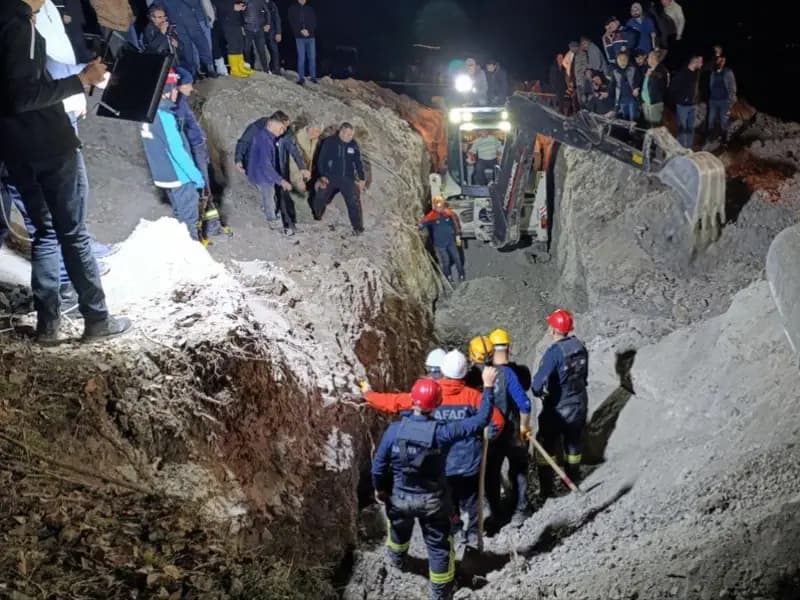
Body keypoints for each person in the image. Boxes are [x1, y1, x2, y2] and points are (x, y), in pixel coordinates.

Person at [1, 0, 130, 342]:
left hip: (15, 150)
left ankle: (48, 326)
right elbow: (22, 96)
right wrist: (81, 80)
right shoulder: (18, 24)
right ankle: (97, 319)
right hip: (49, 145)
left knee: (45, 233)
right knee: (73, 233)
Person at [372, 369, 498, 600]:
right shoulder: (443, 432)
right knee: (439, 548)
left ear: (412, 399)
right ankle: (439, 594)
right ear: (438, 403)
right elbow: (482, 420)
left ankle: (397, 566)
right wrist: (488, 387)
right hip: (433, 503)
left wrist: (380, 489)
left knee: (398, 534)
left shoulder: (394, 431)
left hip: (399, 499)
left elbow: (378, 467)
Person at [141, 70, 207, 239]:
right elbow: (177, 151)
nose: (177, 92)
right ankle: (192, 249)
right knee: (190, 220)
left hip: (163, 175)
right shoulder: (165, 117)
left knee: (179, 216)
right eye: (174, 88)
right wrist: (195, 176)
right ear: (165, 91)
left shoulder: (147, 113)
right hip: (179, 176)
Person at [532, 309, 589, 497]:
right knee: (573, 444)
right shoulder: (580, 346)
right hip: (579, 403)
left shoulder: (554, 353)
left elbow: (537, 384)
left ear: (553, 329)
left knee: (546, 445)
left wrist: (539, 393)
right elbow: (584, 376)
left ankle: (546, 489)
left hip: (558, 407)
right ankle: (573, 479)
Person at [485, 328, 532, 527]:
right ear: (509, 347)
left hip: (491, 435)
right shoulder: (510, 373)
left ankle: (495, 513)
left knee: (491, 473)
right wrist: (524, 427)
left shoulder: (483, 375)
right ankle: (520, 509)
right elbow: (525, 404)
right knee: (519, 469)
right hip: (512, 432)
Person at [313, 123, 367, 235]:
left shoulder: (353, 144)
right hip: (330, 177)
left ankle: (358, 228)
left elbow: (358, 162)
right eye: (348, 134)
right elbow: (321, 160)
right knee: (320, 196)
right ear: (341, 132)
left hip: (347, 178)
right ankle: (317, 216)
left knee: (353, 202)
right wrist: (322, 175)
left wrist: (362, 178)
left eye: (351, 135)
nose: (350, 137)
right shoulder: (329, 142)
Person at [245, 112, 293, 228]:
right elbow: (266, 165)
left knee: (268, 197)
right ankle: (272, 222)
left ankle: (265, 210)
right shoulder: (265, 140)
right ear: (272, 123)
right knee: (269, 198)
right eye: (282, 127)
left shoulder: (265, 136)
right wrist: (281, 180)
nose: (283, 131)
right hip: (263, 176)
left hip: (257, 173)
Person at [161, 0, 218, 77]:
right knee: (187, 50)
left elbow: (195, 3)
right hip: (178, 26)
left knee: (203, 46)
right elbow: (159, 9)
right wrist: (169, 24)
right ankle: (193, 74)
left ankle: (210, 69)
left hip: (192, 22)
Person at [418, 196, 464, 285]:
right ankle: (448, 277)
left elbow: (456, 224)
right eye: (438, 206)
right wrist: (419, 226)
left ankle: (461, 274)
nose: (440, 208)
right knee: (446, 261)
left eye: (442, 206)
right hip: (440, 244)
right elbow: (423, 223)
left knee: (457, 258)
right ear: (435, 207)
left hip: (451, 241)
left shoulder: (449, 213)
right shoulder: (431, 216)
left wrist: (458, 235)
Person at [275, 125, 311, 236]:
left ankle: (290, 224)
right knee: (280, 199)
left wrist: (303, 169)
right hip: (276, 174)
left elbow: (295, 153)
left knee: (284, 198)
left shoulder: (287, 137)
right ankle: (285, 225)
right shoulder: (270, 137)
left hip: (282, 173)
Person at [211, 0, 251, 78]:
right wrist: (232, 7)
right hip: (227, 21)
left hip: (236, 19)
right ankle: (235, 69)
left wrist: (241, 4)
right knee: (233, 45)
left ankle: (240, 67)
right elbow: (217, 3)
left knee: (239, 44)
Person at [670, 54, 702, 148]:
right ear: (695, 62)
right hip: (683, 106)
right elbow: (673, 87)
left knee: (690, 128)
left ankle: (688, 147)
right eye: (700, 62)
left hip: (693, 105)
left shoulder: (696, 73)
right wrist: (682, 98)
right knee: (682, 129)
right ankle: (682, 148)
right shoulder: (682, 74)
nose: (701, 64)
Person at [707, 55, 737, 144]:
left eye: (723, 61)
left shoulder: (728, 72)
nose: (721, 62)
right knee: (710, 119)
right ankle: (710, 137)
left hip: (724, 101)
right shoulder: (713, 72)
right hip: (713, 100)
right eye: (720, 60)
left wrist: (731, 101)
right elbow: (711, 85)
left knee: (724, 120)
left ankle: (724, 139)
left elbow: (732, 87)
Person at [288, 0, 317, 85]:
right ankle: (301, 78)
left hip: (311, 37)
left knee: (312, 58)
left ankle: (313, 77)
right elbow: (292, 22)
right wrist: (300, 31)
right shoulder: (292, 8)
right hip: (299, 37)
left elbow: (314, 22)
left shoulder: (310, 9)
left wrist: (309, 31)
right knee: (301, 58)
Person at [611, 50, 642, 122]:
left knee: (633, 120)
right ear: (617, 61)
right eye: (620, 60)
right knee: (625, 120)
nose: (622, 61)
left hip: (632, 99)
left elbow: (638, 80)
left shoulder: (633, 69)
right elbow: (612, 85)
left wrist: (636, 88)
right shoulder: (615, 72)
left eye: (624, 59)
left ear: (628, 60)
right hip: (622, 100)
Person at [641, 50, 668, 127]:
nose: (647, 59)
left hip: (655, 104)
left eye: (649, 57)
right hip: (646, 103)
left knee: (655, 126)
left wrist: (653, 74)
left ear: (654, 58)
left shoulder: (661, 69)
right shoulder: (649, 69)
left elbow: (662, 79)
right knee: (649, 124)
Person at [243, 0, 271, 72]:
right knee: (246, 49)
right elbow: (239, 13)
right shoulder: (244, 1)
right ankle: (247, 68)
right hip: (248, 29)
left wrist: (268, 23)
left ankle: (266, 69)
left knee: (261, 50)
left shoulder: (261, 1)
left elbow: (267, 12)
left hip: (259, 29)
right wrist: (241, 25)